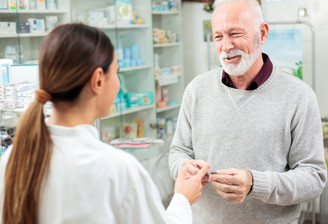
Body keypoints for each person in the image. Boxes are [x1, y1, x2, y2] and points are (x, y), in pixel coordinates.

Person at [0, 23, 210, 224]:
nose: (118, 83)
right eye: (116, 71)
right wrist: (182, 198)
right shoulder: (116, 169)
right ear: (98, 80)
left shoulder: (13, 158)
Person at [169, 0, 327, 224]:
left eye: (235, 34)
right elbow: (178, 152)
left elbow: (314, 178)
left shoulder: (299, 96)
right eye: (218, 36)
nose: (226, 45)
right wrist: (184, 167)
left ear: (262, 33)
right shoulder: (196, 89)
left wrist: (256, 183)